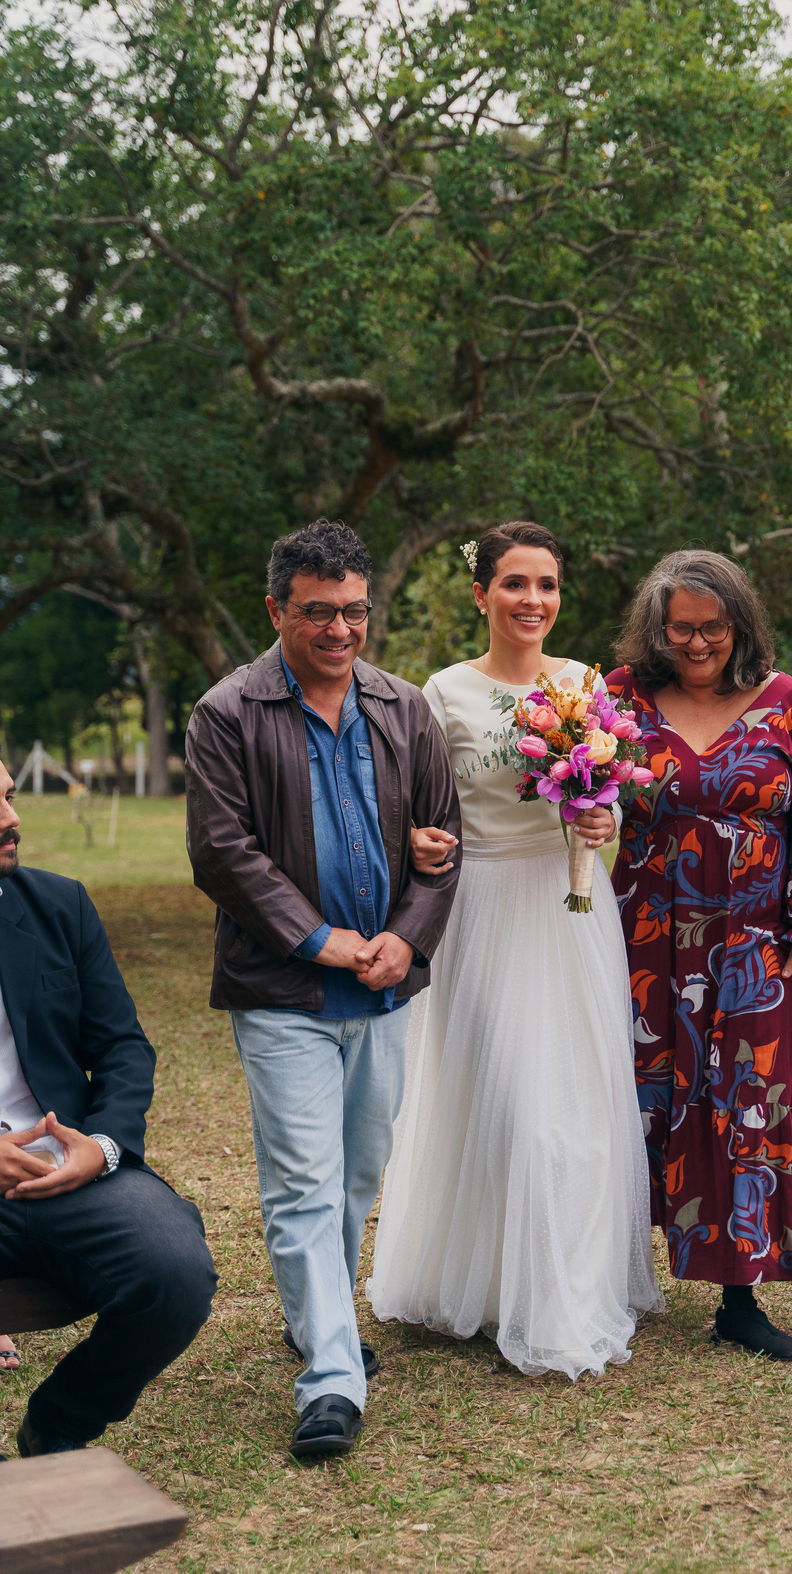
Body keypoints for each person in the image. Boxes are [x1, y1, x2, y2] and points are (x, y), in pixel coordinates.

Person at [185, 518, 461, 1458]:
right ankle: (332, 1379)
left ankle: (318, 1321)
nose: (340, 630)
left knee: (355, 1177)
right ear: (277, 610)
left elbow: (441, 846)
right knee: (302, 1181)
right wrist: (327, 942)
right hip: (282, 991)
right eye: (318, 613)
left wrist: (403, 942)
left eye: (354, 611)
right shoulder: (227, 712)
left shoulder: (404, 708)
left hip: (385, 991)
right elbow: (224, 856)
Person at [370, 522, 661, 1377]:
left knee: (578, 1104)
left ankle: (561, 1290)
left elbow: (604, 793)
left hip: (570, 904)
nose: (533, 600)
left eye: (547, 585)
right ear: (481, 595)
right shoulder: (442, 692)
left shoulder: (582, 684)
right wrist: (418, 846)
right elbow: (416, 808)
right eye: (515, 585)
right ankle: (501, 1286)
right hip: (482, 906)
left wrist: (604, 818)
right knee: (510, 1104)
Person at [605, 550, 792, 1363]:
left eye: (713, 627)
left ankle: (739, 1298)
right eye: (681, 628)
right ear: (657, 627)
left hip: (754, 948)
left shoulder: (785, 704)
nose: (698, 642)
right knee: (632, 1106)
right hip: (640, 943)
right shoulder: (621, 700)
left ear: (739, 624)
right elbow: (571, 801)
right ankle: (611, 1279)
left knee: (749, 1105)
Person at [0, 759, 216, 1457]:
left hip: (67, 1165)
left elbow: (122, 1046)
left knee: (175, 1270)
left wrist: (103, 1146)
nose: (12, 819)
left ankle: (60, 1427)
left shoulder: (58, 905)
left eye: (7, 796)